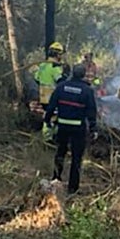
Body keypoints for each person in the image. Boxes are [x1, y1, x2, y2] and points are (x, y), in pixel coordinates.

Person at [44, 64, 98, 194]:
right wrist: (93, 128)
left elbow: (51, 105)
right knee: (76, 158)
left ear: (72, 73)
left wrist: (47, 120)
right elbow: (91, 111)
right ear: (84, 74)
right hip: (78, 129)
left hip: (62, 127)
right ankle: (73, 189)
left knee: (60, 153)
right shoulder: (87, 90)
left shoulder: (61, 87)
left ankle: (56, 179)